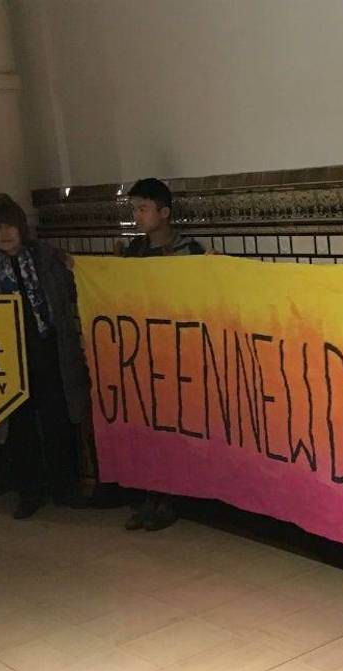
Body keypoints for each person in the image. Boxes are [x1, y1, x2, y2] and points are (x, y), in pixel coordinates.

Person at [0, 194, 91, 519]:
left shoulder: (46, 258)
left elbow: (75, 290)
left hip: (48, 349)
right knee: (19, 426)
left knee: (57, 421)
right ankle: (29, 491)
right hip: (5, 357)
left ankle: (64, 487)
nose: (5, 234)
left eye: (9, 226)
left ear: (21, 227)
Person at [118, 177, 206, 531]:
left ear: (164, 212)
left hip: (177, 353)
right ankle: (149, 495)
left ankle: (170, 497)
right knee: (145, 425)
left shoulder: (189, 251)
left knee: (174, 425)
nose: (137, 216)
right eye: (134, 209)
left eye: (143, 209)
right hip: (142, 352)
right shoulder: (132, 253)